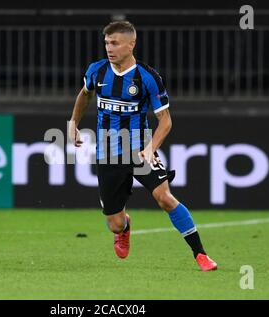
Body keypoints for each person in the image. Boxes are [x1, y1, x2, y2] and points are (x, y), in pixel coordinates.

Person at [68, 20, 217, 271]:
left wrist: (150, 148)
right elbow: (85, 93)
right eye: (106, 43)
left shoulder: (148, 77)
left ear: (131, 44)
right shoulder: (97, 70)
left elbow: (165, 121)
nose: (109, 48)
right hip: (108, 153)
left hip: (139, 149)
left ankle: (201, 255)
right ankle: (124, 227)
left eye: (114, 43)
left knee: (165, 198)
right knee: (114, 223)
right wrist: (73, 121)